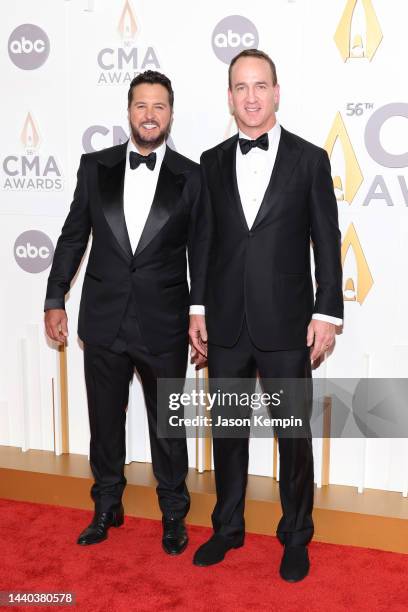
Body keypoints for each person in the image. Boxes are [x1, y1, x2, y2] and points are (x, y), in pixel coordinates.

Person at [189, 49, 343, 581]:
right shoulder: (209, 162)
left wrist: (328, 314)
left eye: (260, 86)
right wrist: (198, 308)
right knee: (227, 432)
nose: (250, 97)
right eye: (240, 87)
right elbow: (203, 243)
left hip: (287, 325)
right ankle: (227, 528)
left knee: (292, 438)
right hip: (226, 324)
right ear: (229, 97)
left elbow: (326, 240)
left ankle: (295, 535)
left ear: (276, 92)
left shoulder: (309, 160)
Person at [44, 70, 204, 555]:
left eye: (159, 106)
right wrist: (55, 298)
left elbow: (202, 252)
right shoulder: (95, 167)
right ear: (128, 111)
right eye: (141, 105)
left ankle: (173, 513)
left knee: (168, 427)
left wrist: (201, 315)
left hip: (165, 322)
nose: (150, 114)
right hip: (105, 319)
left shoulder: (192, 176)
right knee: (104, 422)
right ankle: (106, 506)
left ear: (171, 114)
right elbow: (74, 236)